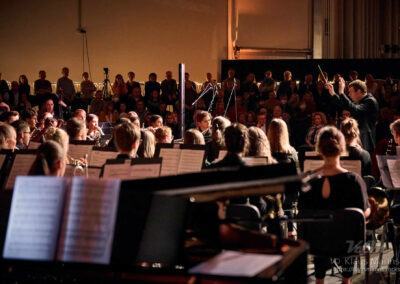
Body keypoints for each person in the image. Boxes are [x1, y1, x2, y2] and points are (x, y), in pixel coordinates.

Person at [298, 126, 370, 284]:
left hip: (316, 245)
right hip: (346, 246)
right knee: (347, 230)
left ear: (318, 149)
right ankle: (346, 279)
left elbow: (303, 215)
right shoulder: (354, 180)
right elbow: (362, 215)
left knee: (321, 229)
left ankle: (319, 279)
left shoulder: (307, 180)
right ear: (342, 148)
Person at [326, 77, 379, 153]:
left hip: (366, 142)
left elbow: (354, 109)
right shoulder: (361, 101)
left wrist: (341, 92)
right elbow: (345, 105)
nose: (349, 95)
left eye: (350, 92)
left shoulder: (370, 101)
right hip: (360, 140)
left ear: (359, 91)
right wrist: (332, 93)